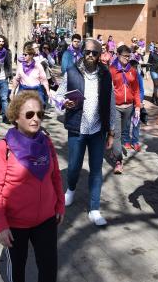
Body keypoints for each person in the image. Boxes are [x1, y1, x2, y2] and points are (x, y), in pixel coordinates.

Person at [0, 91, 64, 282]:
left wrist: (60, 205)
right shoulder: (3, 148)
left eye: (39, 114)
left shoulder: (46, 142)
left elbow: (56, 177)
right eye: (29, 114)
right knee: (17, 272)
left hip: (46, 220)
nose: (35, 119)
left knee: (49, 271)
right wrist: (1, 226)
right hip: (15, 225)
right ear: (16, 117)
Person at [55, 38, 115, 226]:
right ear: (82, 52)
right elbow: (57, 97)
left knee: (96, 170)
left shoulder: (105, 75)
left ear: (99, 55)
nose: (90, 55)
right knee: (74, 166)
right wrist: (64, 103)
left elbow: (112, 103)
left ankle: (95, 209)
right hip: (77, 128)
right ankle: (70, 189)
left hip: (98, 130)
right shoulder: (72, 72)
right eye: (87, 51)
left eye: (94, 53)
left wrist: (112, 131)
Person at [109, 45, 142, 174]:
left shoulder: (132, 71)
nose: (127, 59)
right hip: (116, 107)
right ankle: (118, 161)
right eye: (125, 56)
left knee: (123, 132)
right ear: (117, 55)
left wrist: (138, 106)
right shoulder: (111, 70)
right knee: (117, 133)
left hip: (129, 106)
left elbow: (136, 90)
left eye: (129, 56)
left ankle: (114, 150)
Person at [129, 59, 145, 152]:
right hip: (127, 102)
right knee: (126, 123)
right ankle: (126, 139)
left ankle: (135, 141)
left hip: (137, 103)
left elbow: (142, 90)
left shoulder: (138, 76)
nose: (134, 69)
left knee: (136, 123)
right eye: (133, 67)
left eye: (136, 67)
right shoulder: (125, 75)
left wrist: (140, 101)